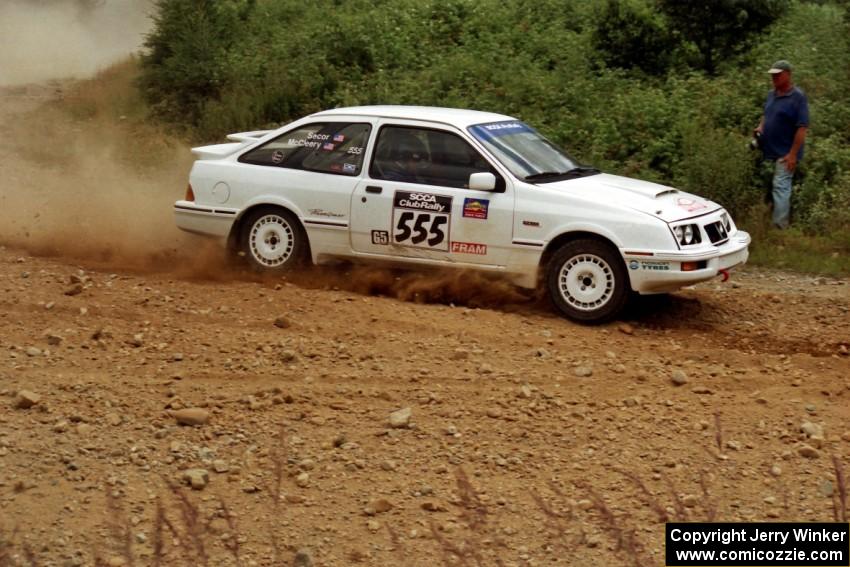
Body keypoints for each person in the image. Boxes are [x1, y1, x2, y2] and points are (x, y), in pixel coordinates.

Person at [755, 60, 809, 229]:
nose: (775, 77)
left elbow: (802, 127)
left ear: (788, 74)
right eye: (773, 75)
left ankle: (780, 228)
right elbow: (766, 115)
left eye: (778, 74)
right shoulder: (772, 94)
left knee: (780, 187)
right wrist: (760, 127)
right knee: (769, 185)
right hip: (768, 150)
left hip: (786, 153)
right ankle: (766, 216)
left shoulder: (798, 98)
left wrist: (793, 154)